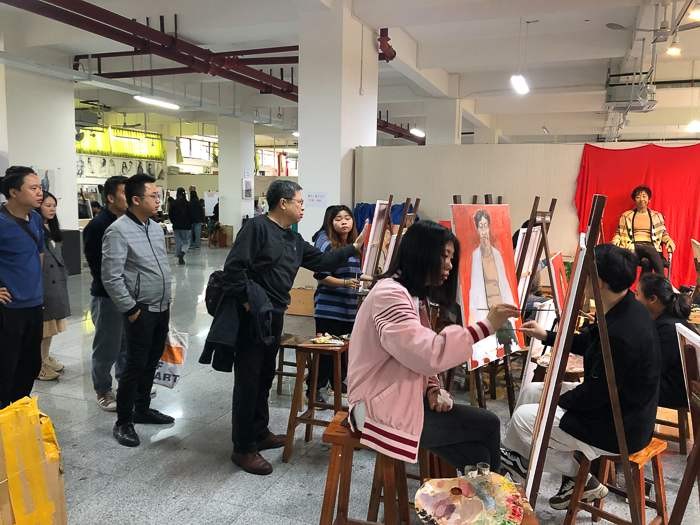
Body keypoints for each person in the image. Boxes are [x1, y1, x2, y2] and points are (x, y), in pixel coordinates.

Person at [222, 179, 368, 475]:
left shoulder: (292, 238)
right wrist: (248, 303)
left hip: (275, 314)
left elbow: (323, 260)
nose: (303, 207)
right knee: (248, 380)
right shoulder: (256, 228)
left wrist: (355, 247)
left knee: (264, 376)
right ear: (283, 203)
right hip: (253, 316)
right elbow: (233, 269)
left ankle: (260, 432)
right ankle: (243, 447)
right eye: (300, 202)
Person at [348, 220, 518, 470]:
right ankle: (492, 489)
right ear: (422, 253)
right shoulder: (390, 294)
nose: (449, 265)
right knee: (488, 425)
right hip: (375, 408)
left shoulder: (411, 295)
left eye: (451, 258)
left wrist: (432, 388)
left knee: (479, 452)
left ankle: (487, 489)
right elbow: (427, 354)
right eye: (444, 256)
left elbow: (414, 355)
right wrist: (486, 326)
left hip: (398, 398)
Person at [501, 244, 660, 510]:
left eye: (585, 271)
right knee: (530, 392)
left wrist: (554, 403)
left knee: (524, 419)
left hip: (620, 426)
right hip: (611, 405)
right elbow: (590, 344)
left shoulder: (623, 332)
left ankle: (578, 478)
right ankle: (517, 460)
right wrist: (546, 335)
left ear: (600, 281)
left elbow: (595, 394)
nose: (580, 277)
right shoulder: (622, 306)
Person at [102, 174, 173, 447]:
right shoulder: (118, 231)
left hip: (161, 306)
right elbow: (111, 276)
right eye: (153, 196)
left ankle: (142, 409)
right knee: (134, 365)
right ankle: (123, 421)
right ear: (135, 199)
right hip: (140, 309)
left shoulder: (154, 227)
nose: (158, 200)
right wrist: (130, 309)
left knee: (152, 360)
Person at [306, 205, 362, 403]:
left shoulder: (353, 246)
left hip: (348, 308)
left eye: (347, 218)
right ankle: (313, 390)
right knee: (325, 353)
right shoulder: (326, 243)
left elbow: (355, 274)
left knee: (341, 351)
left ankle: (336, 382)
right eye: (338, 219)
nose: (344, 222)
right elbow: (321, 275)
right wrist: (345, 283)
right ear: (330, 223)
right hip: (329, 309)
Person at [0, 166, 45, 408]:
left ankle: (19, 412)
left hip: (34, 304)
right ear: (14, 192)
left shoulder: (36, 218)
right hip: (8, 308)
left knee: (30, 364)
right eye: (33, 188)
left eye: (40, 187)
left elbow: (39, 254)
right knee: (6, 366)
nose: (40, 192)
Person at [83, 175, 129, 410]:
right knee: (107, 347)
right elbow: (99, 267)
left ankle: (126, 383)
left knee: (126, 344)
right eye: (124, 193)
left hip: (130, 294)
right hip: (107, 296)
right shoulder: (98, 226)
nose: (130, 197)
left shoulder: (130, 222)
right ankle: (103, 390)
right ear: (111, 198)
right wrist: (117, 289)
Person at [636, 273, 695, 409]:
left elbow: (652, 369)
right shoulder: (665, 320)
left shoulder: (668, 329)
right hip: (672, 384)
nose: (635, 298)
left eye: (637, 294)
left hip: (676, 392)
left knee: (624, 385)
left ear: (652, 299)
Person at [470, 209, 518, 348]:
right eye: (481, 227)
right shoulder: (475, 256)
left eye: (486, 226)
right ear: (477, 229)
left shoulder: (497, 254)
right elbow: (474, 288)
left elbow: (504, 284)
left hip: (502, 312)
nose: (484, 231)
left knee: (509, 344)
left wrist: (511, 308)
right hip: (487, 313)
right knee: (488, 348)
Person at [37, 191, 70, 381]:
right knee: (43, 328)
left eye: (54, 206)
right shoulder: (34, 228)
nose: (52, 209)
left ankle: (45, 357)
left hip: (56, 282)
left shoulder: (52, 227)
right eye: (47, 205)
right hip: (43, 283)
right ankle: (38, 364)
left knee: (51, 328)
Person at [612, 185, 675, 275]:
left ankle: (642, 284)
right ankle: (662, 280)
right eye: (638, 197)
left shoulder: (657, 216)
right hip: (633, 247)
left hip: (652, 248)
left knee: (646, 262)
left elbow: (663, 233)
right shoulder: (626, 216)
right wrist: (615, 242)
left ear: (649, 199)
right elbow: (619, 232)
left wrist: (669, 240)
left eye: (644, 196)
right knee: (650, 249)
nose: (641, 199)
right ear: (634, 200)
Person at [169, 187, 191, 265]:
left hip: (176, 226)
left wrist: (173, 222)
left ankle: (179, 256)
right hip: (186, 226)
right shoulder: (187, 203)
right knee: (186, 242)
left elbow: (170, 215)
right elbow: (190, 215)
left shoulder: (173, 203)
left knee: (178, 242)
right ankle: (183, 252)